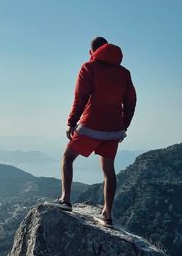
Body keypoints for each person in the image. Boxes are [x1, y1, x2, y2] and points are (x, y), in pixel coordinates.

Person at [45, 37, 137, 226]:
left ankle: (65, 199)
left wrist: (71, 122)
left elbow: (80, 96)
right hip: (113, 129)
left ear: (91, 52)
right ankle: (107, 214)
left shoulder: (89, 67)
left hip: (91, 125)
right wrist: (123, 126)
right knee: (108, 170)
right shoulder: (124, 73)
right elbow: (130, 101)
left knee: (67, 157)